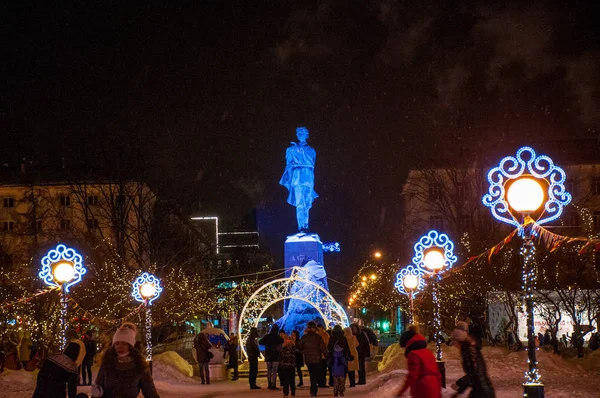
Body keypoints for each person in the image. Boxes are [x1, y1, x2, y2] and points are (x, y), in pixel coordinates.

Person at [91, 323, 159, 398]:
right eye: (117, 343)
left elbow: (150, 392)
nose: (120, 347)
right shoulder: (107, 363)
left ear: (130, 346)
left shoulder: (139, 365)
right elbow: (98, 387)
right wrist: (96, 393)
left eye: (124, 344)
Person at [279, 126, 319, 232]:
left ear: (307, 135)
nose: (301, 135)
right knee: (300, 204)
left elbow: (312, 164)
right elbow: (288, 166)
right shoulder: (291, 149)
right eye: (299, 133)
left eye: (303, 133)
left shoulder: (312, 150)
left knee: (307, 204)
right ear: (297, 135)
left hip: (309, 178)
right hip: (298, 178)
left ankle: (306, 225)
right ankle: (301, 227)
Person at [451, 321, 495, 398]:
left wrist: (459, 384)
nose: (454, 344)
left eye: (455, 341)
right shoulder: (468, 350)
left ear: (460, 341)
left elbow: (474, 373)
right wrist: (460, 390)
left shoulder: (470, 351)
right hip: (480, 389)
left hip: (482, 392)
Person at [396, 325, 442, 398]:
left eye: (404, 347)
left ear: (408, 344)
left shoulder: (413, 354)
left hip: (423, 389)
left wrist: (401, 391)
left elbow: (413, 375)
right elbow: (438, 374)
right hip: (435, 388)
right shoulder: (428, 352)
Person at [300, 321, 327, 397]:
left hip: (308, 359)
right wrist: (327, 356)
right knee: (314, 375)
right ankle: (313, 391)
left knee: (312, 374)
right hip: (317, 359)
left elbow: (300, 347)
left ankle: (313, 390)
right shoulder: (318, 337)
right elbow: (323, 348)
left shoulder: (304, 338)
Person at [328, 325, 351, 397]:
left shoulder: (331, 338)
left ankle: (335, 389)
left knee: (335, 376)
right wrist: (349, 356)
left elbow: (329, 348)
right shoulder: (343, 338)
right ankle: (341, 390)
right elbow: (347, 348)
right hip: (342, 359)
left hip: (334, 359)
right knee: (342, 376)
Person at [259, 324, 284, 390]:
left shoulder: (267, 336)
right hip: (275, 356)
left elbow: (260, 341)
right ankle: (273, 384)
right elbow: (282, 341)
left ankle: (269, 384)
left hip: (268, 355)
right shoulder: (278, 337)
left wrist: (267, 344)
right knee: (274, 371)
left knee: (269, 371)